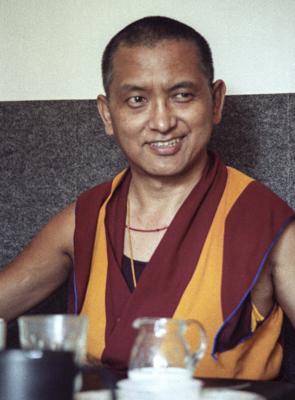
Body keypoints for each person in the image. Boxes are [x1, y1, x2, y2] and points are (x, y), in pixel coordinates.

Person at [0, 16, 295, 380]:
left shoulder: (263, 221)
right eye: (137, 100)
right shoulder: (86, 218)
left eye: (182, 95)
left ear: (216, 101)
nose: (161, 121)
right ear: (108, 114)